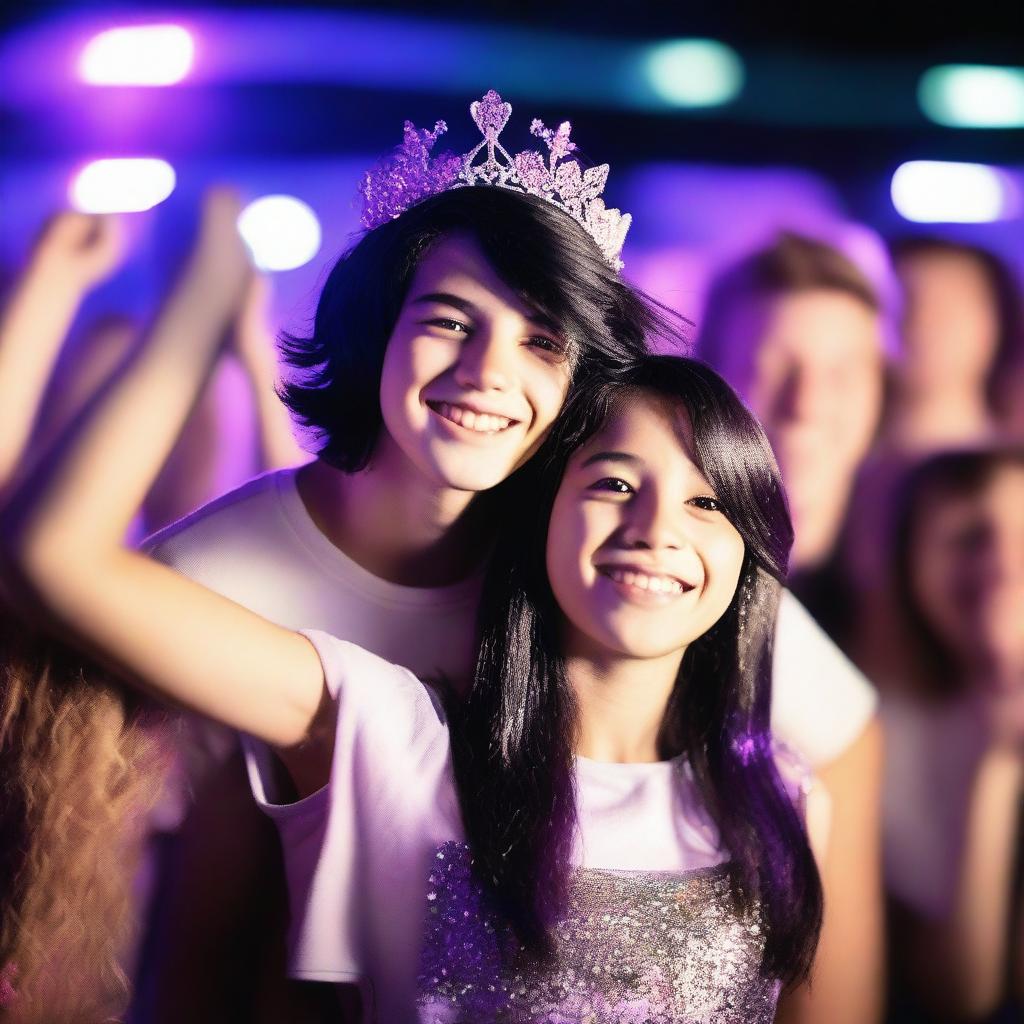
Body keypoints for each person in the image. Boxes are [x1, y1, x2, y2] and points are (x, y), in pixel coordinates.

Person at [2, 224, 829, 1021]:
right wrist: (201, 300)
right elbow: (56, 562)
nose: (659, 530)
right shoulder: (387, 733)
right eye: (613, 484)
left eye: (707, 502)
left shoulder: (784, 800)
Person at [696, 230, 886, 1022]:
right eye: (771, 367)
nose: (808, 405)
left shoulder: (895, 571)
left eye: (843, 373)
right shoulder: (678, 580)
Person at [879, 447, 1024, 1022]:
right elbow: (964, 998)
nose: (1001, 560)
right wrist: (996, 764)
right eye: (967, 536)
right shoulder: (894, 736)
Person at [884, 237, 1024, 453]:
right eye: (906, 302)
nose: (923, 324)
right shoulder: (834, 464)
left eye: (947, 308)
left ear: (998, 322)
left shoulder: (1012, 475)